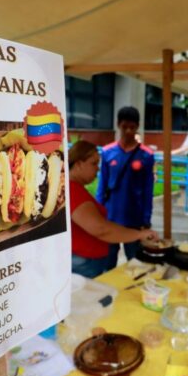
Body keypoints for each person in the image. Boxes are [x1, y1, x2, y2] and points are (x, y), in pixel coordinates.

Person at [69, 140, 158, 278]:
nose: (97, 169)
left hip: (86, 261)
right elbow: (101, 229)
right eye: (93, 163)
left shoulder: (74, 188)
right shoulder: (72, 190)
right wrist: (139, 235)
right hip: (84, 264)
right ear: (79, 164)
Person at [97, 106, 155, 262]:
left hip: (134, 219)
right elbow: (102, 184)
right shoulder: (107, 152)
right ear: (118, 125)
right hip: (110, 216)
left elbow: (148, 189)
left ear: (138, 127)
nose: (128, 131)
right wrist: (97, 211)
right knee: (107, 261)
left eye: (132, 127)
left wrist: (146, 219)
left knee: (135, 262)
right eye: (124, 127)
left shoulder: (147, 155)